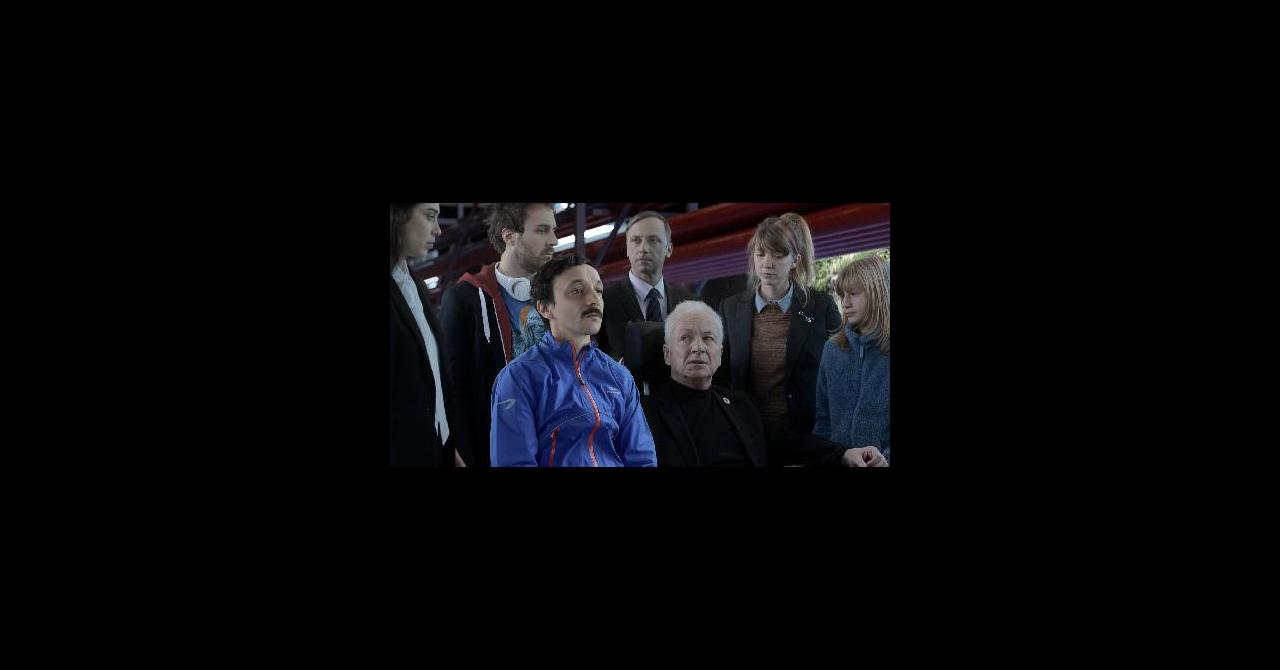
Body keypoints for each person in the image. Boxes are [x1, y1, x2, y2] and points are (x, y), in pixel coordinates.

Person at [641, 301, 885, 466]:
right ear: (667, 353)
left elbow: (790, 443)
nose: (698, 348)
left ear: (720, 353)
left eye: (708, 338)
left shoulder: (738, 405)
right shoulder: (644, 416)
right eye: (685, 338)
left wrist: (844, 453)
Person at [490, 256, 657, 467]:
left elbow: (642, 459)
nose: (594, 299)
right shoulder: (519, 378)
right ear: (544, 308)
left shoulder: (619, 376)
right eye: (578, 291)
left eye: (598, 290)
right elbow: (514, 462)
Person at [440, 203, 559, 467]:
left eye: (553, 230)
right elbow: (453, 392)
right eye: (542, 230)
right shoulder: (465, 299)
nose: (554, 240)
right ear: (509, 236)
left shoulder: (558, 298)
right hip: (497, 451)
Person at [715, 213, 841, 437]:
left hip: (807, 435)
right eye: (760, 254)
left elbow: (839, 372)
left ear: (795, 260)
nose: (767, 263)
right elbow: (721, 376)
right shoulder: (730, 308)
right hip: (748, 435)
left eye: (778, 255)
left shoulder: (821, 307)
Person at [390, 202, 462, 466]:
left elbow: (430, 377)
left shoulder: (415, 286)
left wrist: (446, 442)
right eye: (430, 216)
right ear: (397, 216)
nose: (438, 230)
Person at [815, 255, 891, 464]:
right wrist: (831, 457)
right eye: (842, 295)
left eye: (854, 294)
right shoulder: (832, 350)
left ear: (878, 293)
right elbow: (822, 421)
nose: (845, 303)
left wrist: (885, 459)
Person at [597, 210, 696, 359]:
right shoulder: (603, 301)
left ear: (669, 249)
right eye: (636, 240)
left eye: (653, 240)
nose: (643, 249)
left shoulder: (690, 303)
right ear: (627, 249)